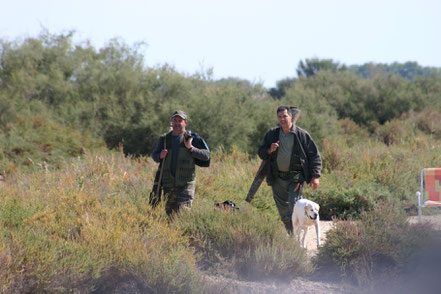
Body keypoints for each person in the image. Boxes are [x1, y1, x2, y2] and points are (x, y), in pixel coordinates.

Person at [258, 106, 322, 234]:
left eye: (285, 116)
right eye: (280, 117)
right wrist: (269, 150)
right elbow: (261, 152)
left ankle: (297, 237)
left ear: (291, 116)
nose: (282, 119)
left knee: (295, 207)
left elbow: (314, 155)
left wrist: (315, 176)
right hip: (277, 178)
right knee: (283, 211)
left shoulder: (301, 134)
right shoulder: (272, 134)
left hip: (296, 178)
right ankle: (292, 235)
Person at [152, 110, 210, 215]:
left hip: (186, 183)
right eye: (175, 120)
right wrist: (160, 155)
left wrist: (191, 148)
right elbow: (154, 156)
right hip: (168, 183)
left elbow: (206, 156)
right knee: (170, 215)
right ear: (171, 122)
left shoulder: (192, 138)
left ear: (185, 123)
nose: (177, 123)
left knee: (183, 214)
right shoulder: (165, 139)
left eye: (180, 120)